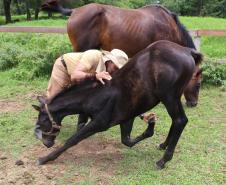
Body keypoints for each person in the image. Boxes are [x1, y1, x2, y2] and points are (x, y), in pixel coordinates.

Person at [47, 49, 129, 101]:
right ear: (110, 61)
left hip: (79, 76)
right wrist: (95, 76)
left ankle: (81, 124)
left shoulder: (109, 69)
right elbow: (75, 76)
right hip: (63, 67)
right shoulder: (93, 55)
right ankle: (43, 123)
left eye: (119, 69)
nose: (116, 72)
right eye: (116, 67)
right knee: (53, 99)